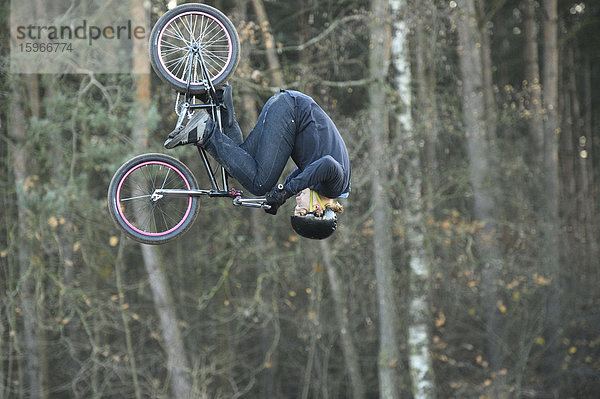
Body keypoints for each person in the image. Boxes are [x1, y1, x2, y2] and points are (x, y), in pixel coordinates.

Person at [164, 85, 350, 239]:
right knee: (259, 183)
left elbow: (306, 172)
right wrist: (285, 193)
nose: (298, 201)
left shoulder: (322, 186)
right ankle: (205, 132)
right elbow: (327, 164)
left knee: (240, 165)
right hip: (292, 112)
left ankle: (218, 103)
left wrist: (278, 195)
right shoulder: (335, 187)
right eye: (300, 208)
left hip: (288, 107)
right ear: (317, 210)